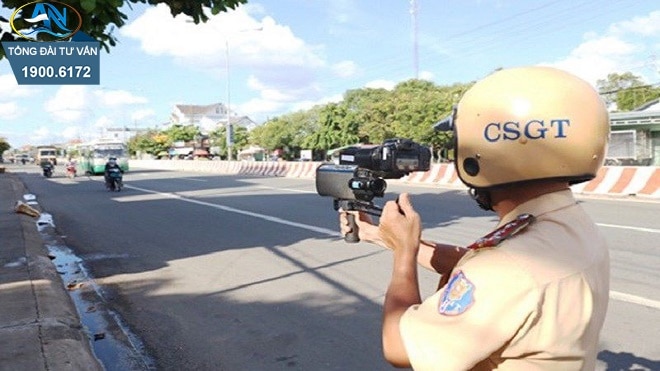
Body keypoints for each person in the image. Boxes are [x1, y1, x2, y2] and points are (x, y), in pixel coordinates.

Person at [340, 66, 610, 370]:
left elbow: (399, 346)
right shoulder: (569, 224)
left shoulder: (511, 266)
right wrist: (382, 235)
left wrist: (403, 255)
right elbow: (473, 265)